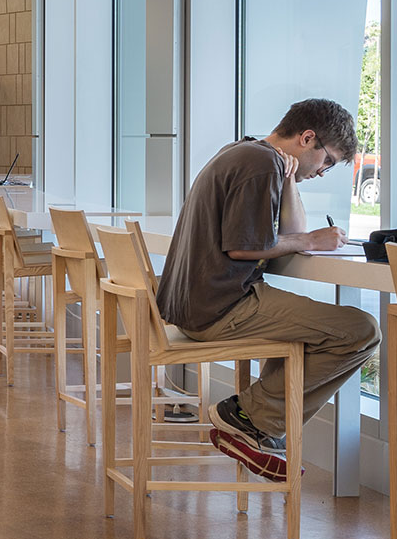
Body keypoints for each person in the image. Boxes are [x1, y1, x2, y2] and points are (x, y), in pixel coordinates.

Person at [157, 97, 379, 480]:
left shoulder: (247, 152)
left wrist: (292, 183)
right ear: (308, 138)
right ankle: (247, 417)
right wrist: (309, 242)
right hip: (219, 308)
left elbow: (290, 231)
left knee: (313, 331)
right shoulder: (260, 164)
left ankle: (258, 424)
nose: (324, 172)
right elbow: (242, 246)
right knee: (360, 331)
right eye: (327, 161)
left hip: (195, 303)